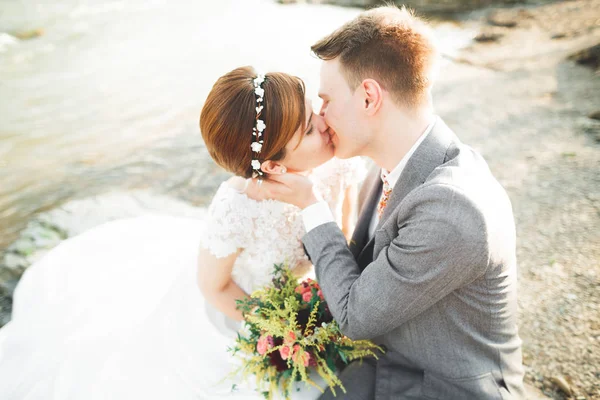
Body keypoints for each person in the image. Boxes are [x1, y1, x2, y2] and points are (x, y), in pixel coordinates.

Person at [0, 66, 365, 399]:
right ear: (273, 165)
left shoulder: (336, 164)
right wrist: (280, 327)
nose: (325, 122)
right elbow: (214, 286)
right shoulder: (237, 210)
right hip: (248, 310)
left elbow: (345, 237)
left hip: (311, 295)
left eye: (313, 110)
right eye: (308, 127)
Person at [259, 6, 526, 400]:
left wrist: (311, 205)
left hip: (443, 386)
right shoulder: (387, 167)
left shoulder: (453, 209)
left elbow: (355, 316)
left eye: (327, 100)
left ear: (368, 97)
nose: (321, 115)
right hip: (389, 361)